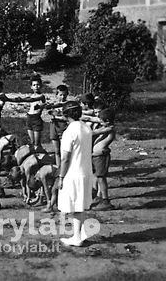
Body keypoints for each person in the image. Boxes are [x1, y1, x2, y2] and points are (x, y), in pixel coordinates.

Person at [57, 101, 94, 247]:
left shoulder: (69, 132)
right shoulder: (86, 128)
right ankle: (80, 233)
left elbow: (65, 158)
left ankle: (77, 237)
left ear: (66, 115)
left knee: (74, 205)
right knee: (80, 204)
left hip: (73, 172)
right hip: (86, 170)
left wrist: (60, 177)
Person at [8, 75, 46, 152]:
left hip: (36, 119)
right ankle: (36, 155)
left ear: (41, 85)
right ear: (31, 87)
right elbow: (28, 99)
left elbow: (35, 99)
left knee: (36, 142)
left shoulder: (41, 96)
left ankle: (40, 153)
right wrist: (19, 99)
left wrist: (27, 100)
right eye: (34, 85)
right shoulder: (31, 96)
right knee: (32, 141)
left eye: (38, 85)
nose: (36, 87)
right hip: (29, 118)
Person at [91, 108, 116, 210]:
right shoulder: (104, 126)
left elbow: (94, 132)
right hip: (96, 156)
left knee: (101, 178)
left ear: (108, 121)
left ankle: (106, 200)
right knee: (97, 176)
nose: (99, 122)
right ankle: (99, 196)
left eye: (101, 120)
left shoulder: (110, 128)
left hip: (102, 156)